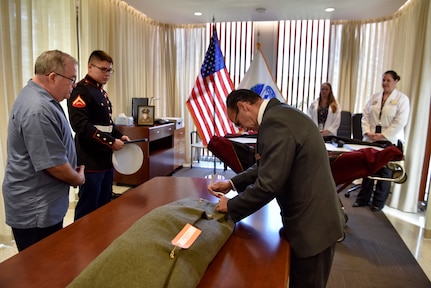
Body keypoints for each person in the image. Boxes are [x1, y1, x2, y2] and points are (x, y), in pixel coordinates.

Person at [208, 89, 345, 288]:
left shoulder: (275, 123)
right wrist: (232, 183)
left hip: (313, 227)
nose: (241, 129)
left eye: (237, 122)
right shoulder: (280, 113)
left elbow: (269, 184)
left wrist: (232, 205)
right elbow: (267, 164)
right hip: (314, 218)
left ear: (243, 106)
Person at [2, 50, 85, 251]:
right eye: (72, 79)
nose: (74, 85)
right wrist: (78, 179)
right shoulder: (36, 109)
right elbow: (54, 165)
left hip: (43, 203)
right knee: (40, 271)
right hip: (35, 208)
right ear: (53, 77)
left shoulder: (43, 99)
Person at [68, 50, 130, 220]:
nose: (107, 74)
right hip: (90, 158)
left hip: (105, 159)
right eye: (103, 69)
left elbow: (107, 123)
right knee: (88, 206)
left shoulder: (100, 91)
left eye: (110, 70)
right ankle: (81, 244)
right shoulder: (81, 90)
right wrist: (110, 142)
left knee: (104, 204)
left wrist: (119, 136)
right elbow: (81, 125)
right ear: (90, 66)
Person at [352, 70, 410, 212]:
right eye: (383, 80)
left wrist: (383, 135)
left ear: (396, 81)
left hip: (389, 140)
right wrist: (367, 132)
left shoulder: (402, 99)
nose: (385, 83)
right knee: (368, 168)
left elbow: (400, 121)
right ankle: (362, 199)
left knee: (385, 171)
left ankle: (378, 202)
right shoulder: (375, 97)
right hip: (371, 138)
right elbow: (365, 116)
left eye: (388, 80)